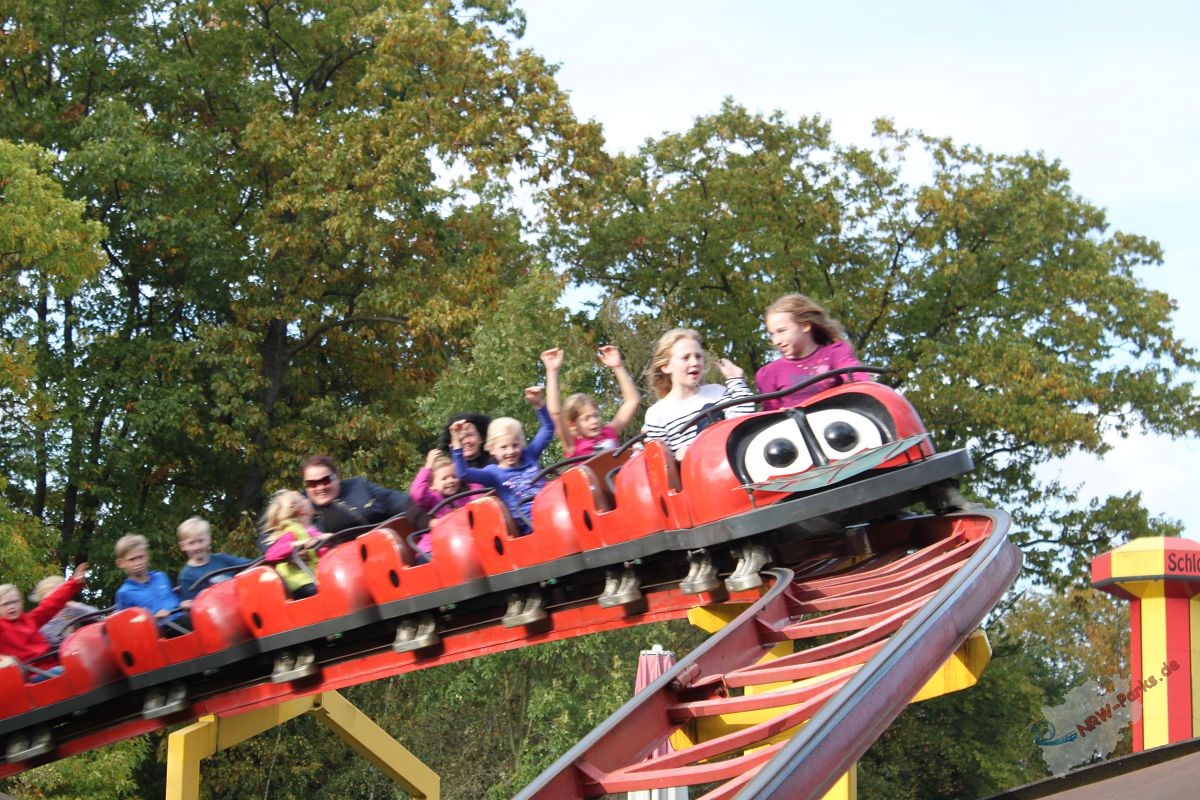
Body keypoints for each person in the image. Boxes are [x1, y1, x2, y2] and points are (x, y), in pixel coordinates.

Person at [449, 387, 555, 533]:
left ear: (521, 443)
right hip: (531, 523)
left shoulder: (529, 455)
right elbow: (463, 474)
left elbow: (548, 428)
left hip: (552, 508)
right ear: (492, 449)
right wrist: (456, 443)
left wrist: (539, 404)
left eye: (515, 445)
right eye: (503, 447)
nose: (510, 451)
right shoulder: (494, 473)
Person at [642, 329, 754, 460]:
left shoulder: (717, 392)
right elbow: (660, 463)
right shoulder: (657, 414)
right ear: (666, 366)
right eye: (685, 358)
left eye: (698, 356)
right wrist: (677, 457)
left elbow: (744, 422)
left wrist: (736, 380)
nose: (694, 362)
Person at [755, 293, 866, 411]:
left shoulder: (835, 353)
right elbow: (769, 417)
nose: (776, 340)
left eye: (781, 331)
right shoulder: (770, 373)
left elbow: (859, 383)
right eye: (772, 334)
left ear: (805, 325)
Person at [541, 345, 641, 457]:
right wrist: (552, 371)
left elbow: (632, 401)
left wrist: (618, 366)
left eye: (596, 415)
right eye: (586, 418)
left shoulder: (608, 432)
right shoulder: (573, 444)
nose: (594, 421)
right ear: (573, 425)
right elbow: (555, 413)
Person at [0, 563, 89, 678]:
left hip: (52, 667)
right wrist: (3, 658)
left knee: (83, 661)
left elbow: (51, 604)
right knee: (70, 671)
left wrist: (73, 583)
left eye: (15, 602)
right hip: (33, 674)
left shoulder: (29, 619)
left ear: (21, 602)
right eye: (5, 604)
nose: (11, 606)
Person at [298, 455, 413, 535]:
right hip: (344, 563)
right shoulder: (300, 507)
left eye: (325, 480)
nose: (320, 488)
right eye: (312, 483)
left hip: (390, 542)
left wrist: (419, 508)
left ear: (337, 477)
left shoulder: (358, 485)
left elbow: (392, 499)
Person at [261, 490, 332, 599]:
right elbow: (271, 554)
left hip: (315, 577)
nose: (308, 499)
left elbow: (321, 555)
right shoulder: (292, 531)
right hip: (301, 583)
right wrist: (297, 544)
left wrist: (327, 541)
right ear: (300, 510)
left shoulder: (312, 531)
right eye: (304, 498)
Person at [114, 535, 191, 635]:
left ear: (148, 556)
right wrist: (152, 618)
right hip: (158, 632)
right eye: (132, 559)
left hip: (180, 619)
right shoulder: (124, 593)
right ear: (121, 563)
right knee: (188, 621)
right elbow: (127, 626)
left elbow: (174, 599)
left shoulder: (161, 577)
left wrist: (183, 603)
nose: (138, 562)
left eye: (141, 557)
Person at [176, 516, 253, 603]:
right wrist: (188, 604)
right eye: (191, 543)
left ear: (209, 540)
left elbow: (251, 565)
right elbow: (190, 606)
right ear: (182, 546)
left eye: (201, 541)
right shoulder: (186, 575)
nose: (197, 547)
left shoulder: (222, 558)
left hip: (241, 602)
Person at [30, 575, 100, 646]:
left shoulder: (69, 610)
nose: (55, 602)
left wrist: (73, 605)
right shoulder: (41, 621)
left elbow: (96, 614)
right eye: (52, 599)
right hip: (54, 653)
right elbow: (51, 640)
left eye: (59, 597)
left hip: (76, 649)